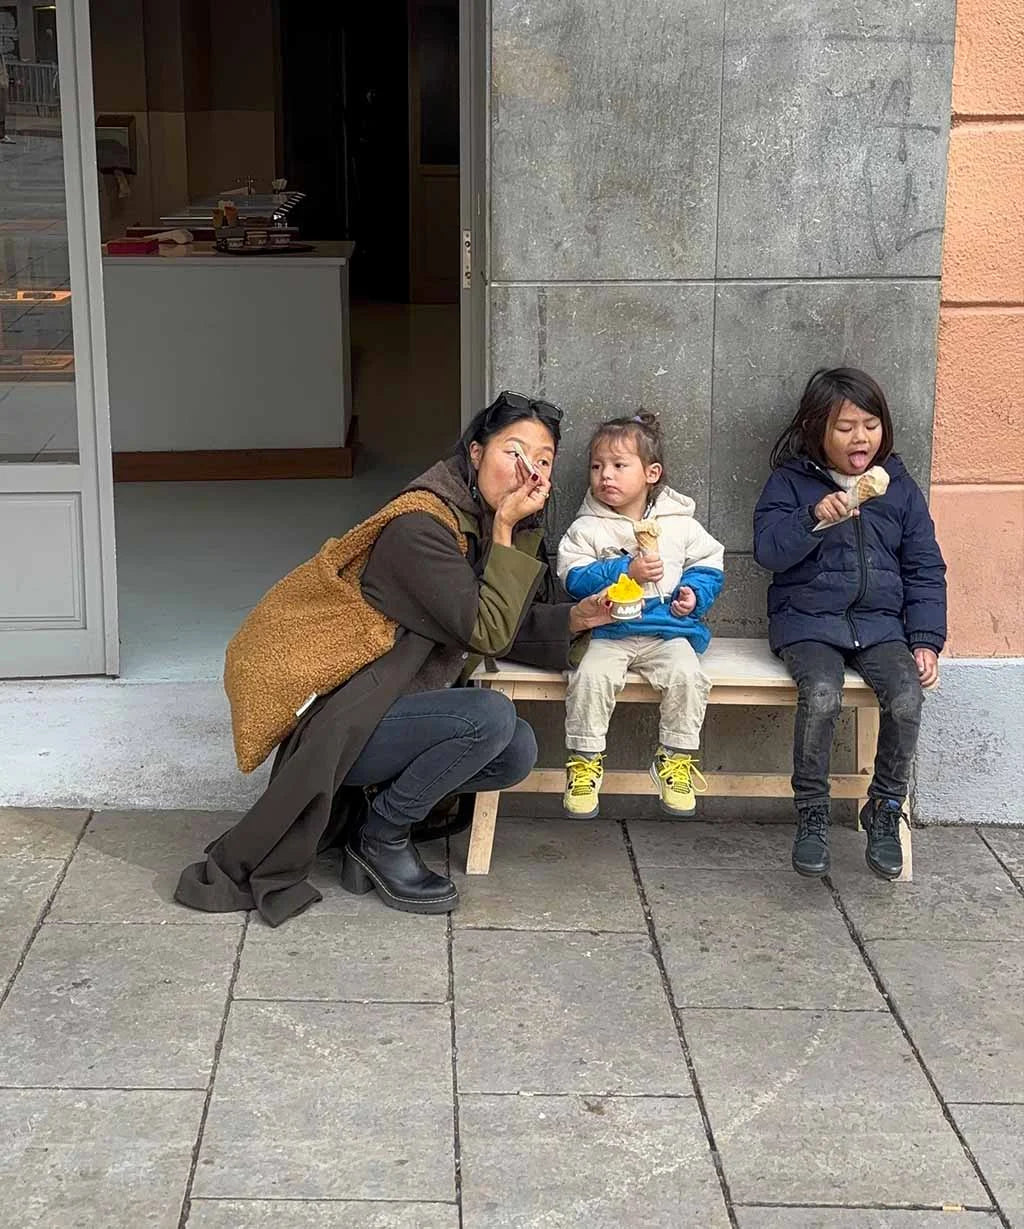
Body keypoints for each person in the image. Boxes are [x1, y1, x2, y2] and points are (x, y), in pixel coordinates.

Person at [176, 392, 614, 925]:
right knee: (491, 719)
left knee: (515, 749)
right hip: (345, 728)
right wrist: (506, 531)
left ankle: (371, 817)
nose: (528, 471)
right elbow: (486, 628)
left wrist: (577, 618)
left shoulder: (479, 522)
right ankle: (383, 838)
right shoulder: (420, 529)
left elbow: (498, 618)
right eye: (513, 452)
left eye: (543, 461)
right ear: (475, 454)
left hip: (398, 709)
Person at [753, 367, 947, 880]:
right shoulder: (790, 482)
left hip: (881, 625)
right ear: (817, 429)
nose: (860, 437)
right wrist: (813, 517)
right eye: (845, 427)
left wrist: (925, 640)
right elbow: (769, 551)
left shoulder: (898, 487)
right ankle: (812, 811)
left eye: (870, 424)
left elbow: (924, 565)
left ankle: (884, 805)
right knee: (821, 693)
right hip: (808, 622)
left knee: (907, 696)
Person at [556, 412, 725, 818]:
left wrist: (693, 595)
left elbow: (709, 562)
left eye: (618, 466)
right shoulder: (588, 528)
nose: (605, 476)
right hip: (609, 629)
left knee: (688, 676)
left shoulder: (679, 524)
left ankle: (676, 757)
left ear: (651, 473)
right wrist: (622, 571)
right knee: (590, 677)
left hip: (666, 630)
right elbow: (572, 576)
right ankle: (584, 759)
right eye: (596, 467)